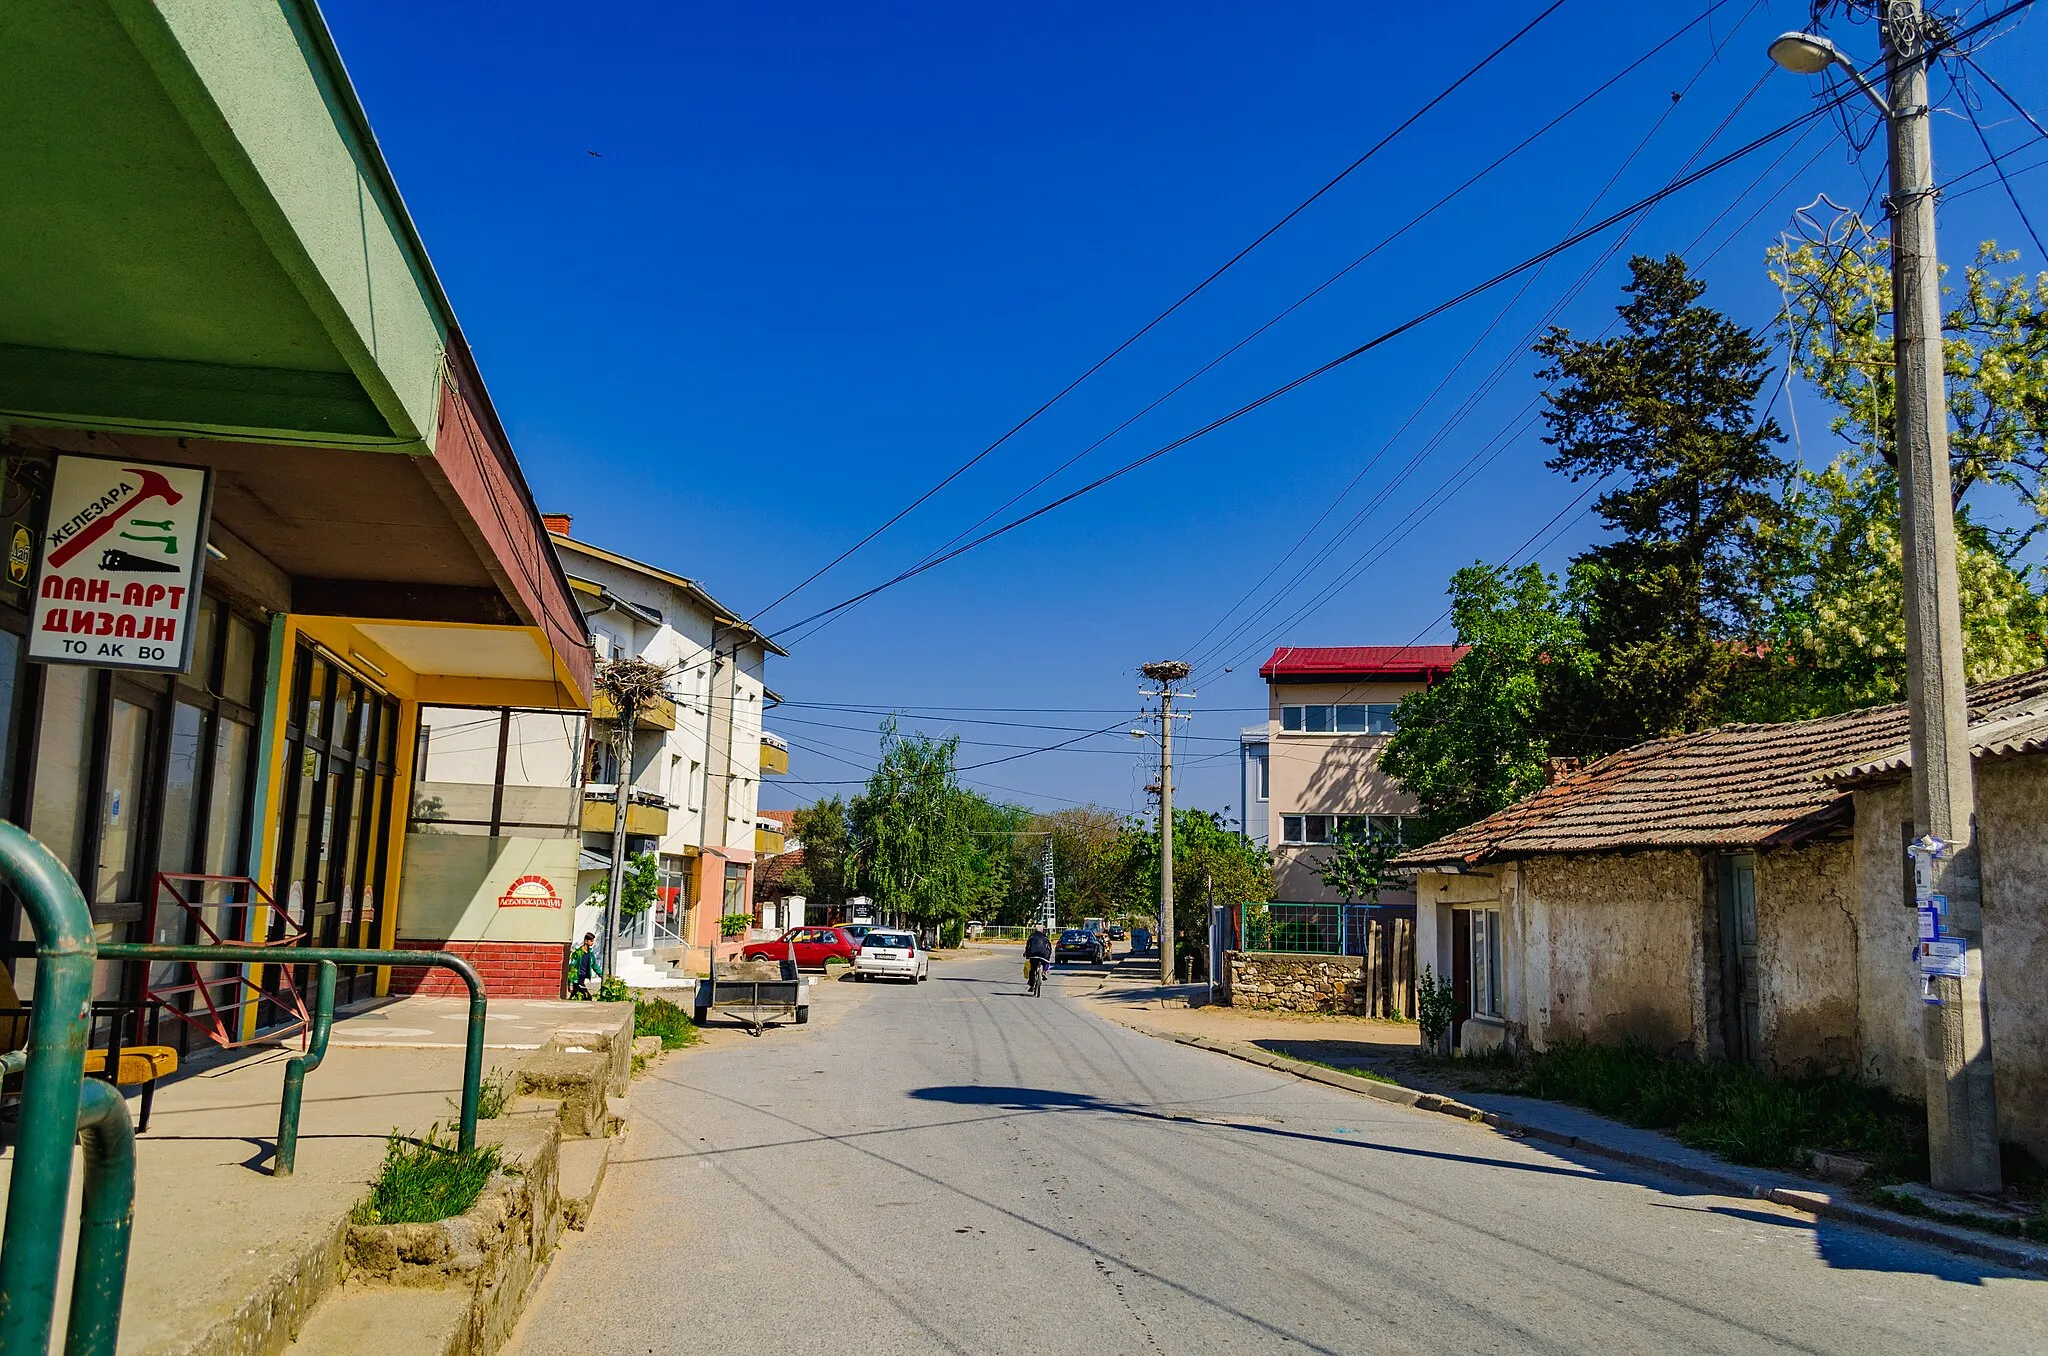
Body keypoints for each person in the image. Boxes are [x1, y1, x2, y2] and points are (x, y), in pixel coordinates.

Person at [570, 932, 602, 998]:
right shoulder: (578, 953)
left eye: (593, 941)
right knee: (587, 996)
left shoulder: (590, 952)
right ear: (586, 941)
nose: (592, 943)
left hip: (583, 977)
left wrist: (601, 974)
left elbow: (594, 965)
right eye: (591, 941)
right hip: (577, 978)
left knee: (574, 994)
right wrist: (570, 983)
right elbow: (572, 967)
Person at [1023, 927, 1053, 994]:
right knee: (1046, 962)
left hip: (1033, 954)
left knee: (1032, 970)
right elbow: (1049, 948)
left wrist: (1026, 954)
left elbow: (1028, 947)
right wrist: (1049, 955)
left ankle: (1032, 985)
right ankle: (1044, 971)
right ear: (1042, 931)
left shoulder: (1031, 937)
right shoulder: (1045, 937)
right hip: (1044, 954)